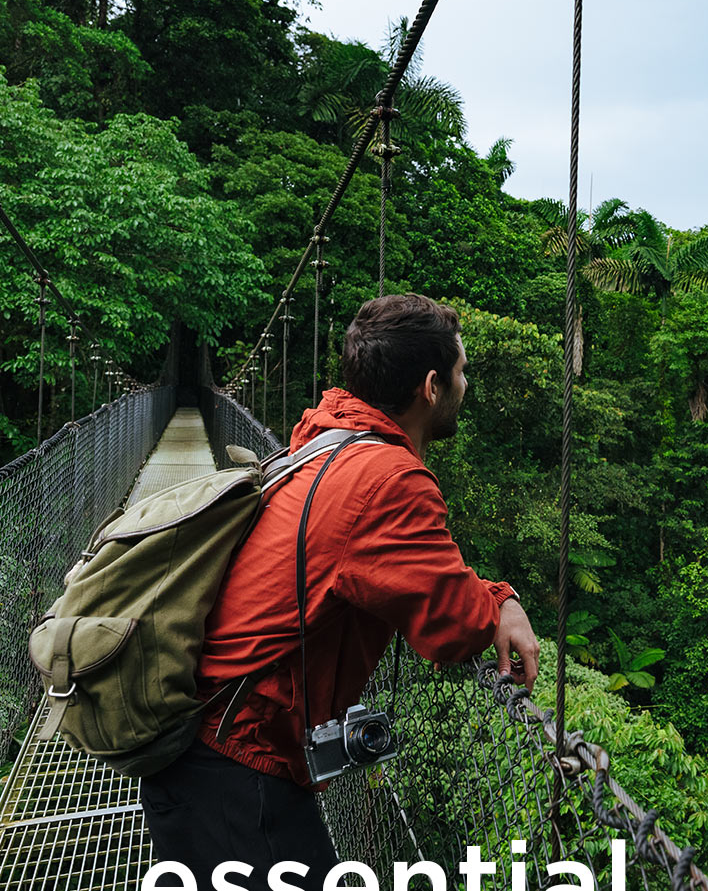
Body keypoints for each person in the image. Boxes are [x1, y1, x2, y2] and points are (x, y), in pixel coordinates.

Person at [140, 294, 539, 889]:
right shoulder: (390, 482)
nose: (465, 381)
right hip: (237, 765)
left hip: (206, 746)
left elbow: (391, 571)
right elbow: (453, 631)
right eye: (461, 370)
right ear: (431, 387)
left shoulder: (325, 441)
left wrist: (492, 593)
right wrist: (500, 599)